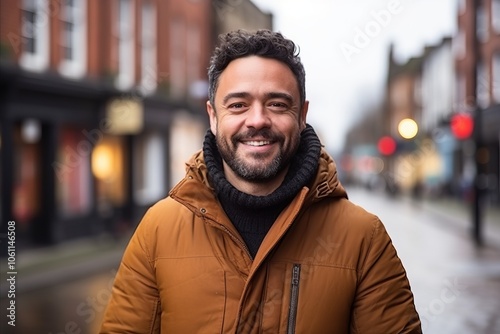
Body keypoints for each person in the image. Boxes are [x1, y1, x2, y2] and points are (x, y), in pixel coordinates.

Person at [100, 29, 422, 333]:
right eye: (238, 104)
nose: (257, 121)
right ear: (213, 116)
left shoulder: (363, 239)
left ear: (302, 115)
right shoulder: (158, 230)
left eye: (277, 104)